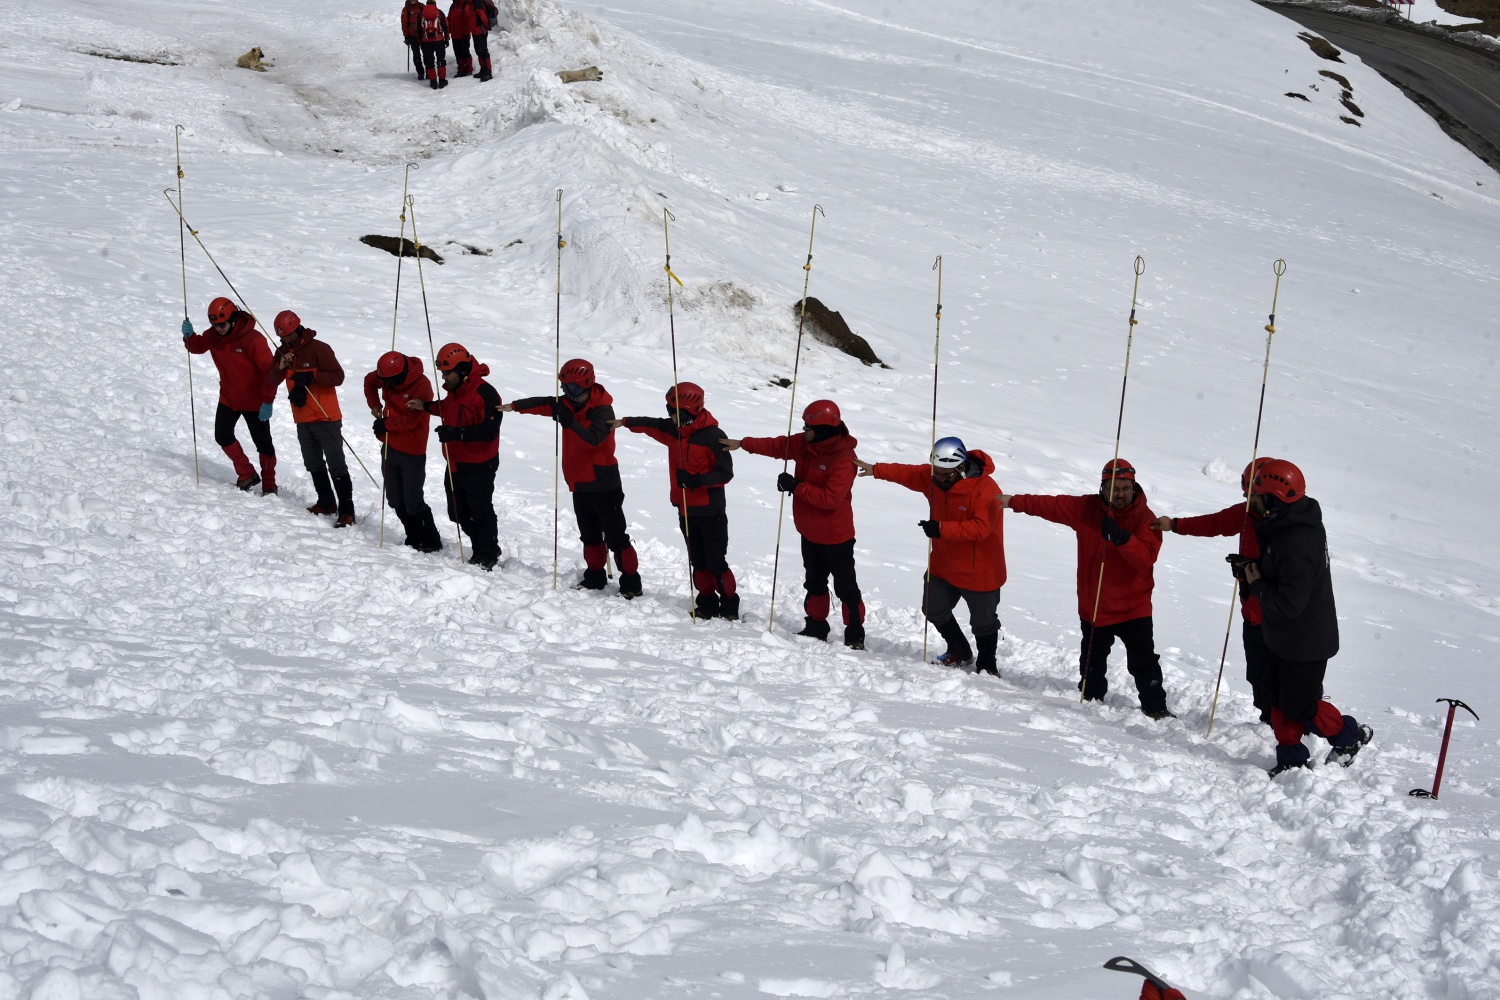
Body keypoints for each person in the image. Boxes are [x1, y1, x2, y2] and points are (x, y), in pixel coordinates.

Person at [1002, 459, 1173, 718]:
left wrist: (1121, 538)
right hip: (1095, 607)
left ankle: (1156, 709)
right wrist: (1013, 501)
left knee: (1143, 663)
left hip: (1133, 608)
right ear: (1102, 488)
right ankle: (1090, 699)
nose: (1120, 494)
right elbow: (1050, 505)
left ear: (1134, 487)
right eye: (1114, 488)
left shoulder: (1145, 519)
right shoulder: (1086, 508)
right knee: (1091, 662)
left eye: (1126, 488)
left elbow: (1146, 558)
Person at [1232, 459, 1372, 776]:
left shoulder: (1296, 540)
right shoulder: (1287, 525)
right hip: (1285, 634)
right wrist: (1249, 570)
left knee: (1298, 704)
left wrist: (1255, 583)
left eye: (1256, 496)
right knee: (1276, 697)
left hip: (1306, 639)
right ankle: (1292, 759)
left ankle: (1349, 735)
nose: (1250, 502)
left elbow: (1288, 602)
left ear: (1274, 499)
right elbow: (1277, 573)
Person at [854, 436, 1005, 674]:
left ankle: (987, 665)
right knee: (932, 608)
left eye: (947, 474)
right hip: (944, 565)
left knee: (983, 623)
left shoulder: (986, 490)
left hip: (980, 570)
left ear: (962, 467)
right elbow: (908, 474)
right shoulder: (934, 478)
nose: (940, 479)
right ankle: (959, 650)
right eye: (938, 473)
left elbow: (982, 528)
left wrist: (942, 529)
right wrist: (876, 470)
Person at [724, 399, 864, 648]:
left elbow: (831, 499)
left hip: (836, 536)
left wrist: (796, 486)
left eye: (808, 427)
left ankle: (854, 636)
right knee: (814, 583)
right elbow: (778, 445)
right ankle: (816, 626)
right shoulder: (806, 443)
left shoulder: (844, 458)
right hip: (809, 532)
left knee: (846, 588)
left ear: (822, 429)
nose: (803, 431)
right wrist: (743, 444)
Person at [504, 358, 642, 597]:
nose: (569, 393)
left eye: (574, 388)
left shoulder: (603, 410)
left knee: (616, 535)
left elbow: (594, 439)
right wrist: (515, 406)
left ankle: (631, 583)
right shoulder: (566, 404)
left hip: (604, 483)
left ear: (588, 385)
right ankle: (595, 577)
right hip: (579, 482)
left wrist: (568, 422)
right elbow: (543, 404)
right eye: (566, 387)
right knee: (589, 534)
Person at [1154, 458, 1275, 724]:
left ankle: (1298, 730)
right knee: (1257, 675)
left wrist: (1253, 569)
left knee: (1289, 682)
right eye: (1245, 493)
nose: (1246, 498)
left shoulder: (1290, 526)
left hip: (1281, 615)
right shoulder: (1245, 514)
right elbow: (1213, 524)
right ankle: (1270, 723)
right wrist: (1174, 524)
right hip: (1253, 613)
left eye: (1250, 493)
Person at [616, 382, 737, 620]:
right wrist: (626, 422)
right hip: (685, 509)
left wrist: (695, 480)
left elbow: (725, 473)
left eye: (675, 412)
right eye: (670, 411)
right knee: (698, 562)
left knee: (715, 562)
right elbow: (651, 424)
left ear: (692, 410)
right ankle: (707, 604)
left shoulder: (714, 436)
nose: (670, 416)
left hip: (710, 511)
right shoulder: (675, 430)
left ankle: (730, 606)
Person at [408, 343, 502, 569]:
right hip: (455, 463)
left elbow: (490, 431)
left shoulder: (486, 393)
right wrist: (426, 406)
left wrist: (457, 433)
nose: (443, 377)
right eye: (441, 372)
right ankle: (481, 544)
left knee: (481, 511)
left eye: (446, 373)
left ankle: (487, 552)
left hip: (480, 464)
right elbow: (449, 408)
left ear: (461, 370)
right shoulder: (455, 391)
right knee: (457, 513)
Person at [182, 297, 277, 494]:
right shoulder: (214, 336)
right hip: (229, 398)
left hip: (254, 402)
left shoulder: (254, 340)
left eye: (221, 324)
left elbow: (269, 373)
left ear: (233, 318)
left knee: (263, 444)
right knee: (222, 435)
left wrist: (267, 401)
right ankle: (247, 474)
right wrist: (190, 337)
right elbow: (198, 346)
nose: (218, 328)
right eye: (214, 324)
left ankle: (269, 484)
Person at [269, 310, 354, 527]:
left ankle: (347, 510)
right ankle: (326, 502)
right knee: (313, 463)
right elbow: (270, 380)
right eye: (282, 337)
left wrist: (312, 376)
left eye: (289, 335)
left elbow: (338, 376)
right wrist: (280, 367)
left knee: (336, 465)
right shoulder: (282, 353)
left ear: (298, 329)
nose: (286, 340)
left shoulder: (319, 348)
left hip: (326, 418)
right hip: (303, 419)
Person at [365, 351, 442, 552]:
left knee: (413, 500)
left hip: (412, 451)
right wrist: (374, 403)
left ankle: (431, 540)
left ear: (399, 376)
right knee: (394, 499)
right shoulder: (386, 375)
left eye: (389, 383)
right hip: (389, 446)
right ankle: (413, 536)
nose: (386, 386)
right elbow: (369, 381)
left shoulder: (422, 385)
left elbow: (412, 419)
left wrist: (386, 425)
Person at [418, 0, 450, 90]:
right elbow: (445, 26)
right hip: (439, 40)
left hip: (426, 41)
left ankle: (433, 82)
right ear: (434, 3)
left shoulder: (421, 14)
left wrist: (421, 43)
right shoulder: (439, 12)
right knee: (441, 60)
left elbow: (419, 30)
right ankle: (442, 80)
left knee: (429, 62)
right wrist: (446, 39)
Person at [401, 0, 428, 82]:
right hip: (412, 37)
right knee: (417, 55)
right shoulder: (406, 9)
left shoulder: (422, 6)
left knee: (427, 54)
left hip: (423, 36)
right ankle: (420, 72)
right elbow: (404, 23)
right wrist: (406, 36)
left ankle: (429, 72)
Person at [470, 0, 497, 81]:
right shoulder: (472, 3)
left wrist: (487, 25)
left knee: (483, 51)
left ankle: (488, 72)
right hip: (475, 31)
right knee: (479, 50)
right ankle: (483, 70)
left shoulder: (477, 2)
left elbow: (482, 15)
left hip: (481, 30)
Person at [447, 0, 473, 78]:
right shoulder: (453, 6)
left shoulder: (465, 5)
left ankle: (468, 69)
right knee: (458, 53)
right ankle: (461, 69)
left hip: (463, 35)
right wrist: (446, 31)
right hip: (455, 35)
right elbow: (449, 19)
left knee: (465, 52)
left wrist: (466, 34)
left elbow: (467, 21)